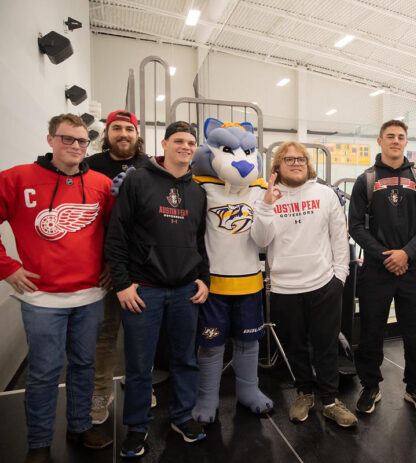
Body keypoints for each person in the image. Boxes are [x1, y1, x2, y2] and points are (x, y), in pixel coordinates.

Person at [0, 114, 114, 463]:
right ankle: (38, 443)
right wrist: (7, 267)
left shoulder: (100, 183)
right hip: (40, 298)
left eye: (82, 141)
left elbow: (113, 231)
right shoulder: (17, 178)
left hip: (89, 295)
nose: (76, 147)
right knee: (45, 371)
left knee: (83, 364)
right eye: (68, 139)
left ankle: (80, 427)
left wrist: (110, 265)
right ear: (50, 140)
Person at [105, 121, 210, 458]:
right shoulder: (138, 180)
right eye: (179, 140)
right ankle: (137, 427)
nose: (186, 146)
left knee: (185, 360)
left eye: (191, 142)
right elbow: (117, 235)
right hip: (143, 290)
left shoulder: (197, 192)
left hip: (184, 291)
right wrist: (122, 283)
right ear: (164, 144)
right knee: (139, 365)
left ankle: (182, 416)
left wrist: (203, 278)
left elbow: (199, 242)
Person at [251, 141, 357, 428]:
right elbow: (260, 241)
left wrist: (339, 277)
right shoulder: (267, 197)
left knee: (325, 346)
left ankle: (330, 400)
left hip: (324, 284)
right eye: (288, 159)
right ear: (277, 166)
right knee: (295, 347)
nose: (295, 163)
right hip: (285, 288)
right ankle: (304, 394)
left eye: (300, 159)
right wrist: (266, 205)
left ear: (307, 164)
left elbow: (339, 238)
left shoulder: (324, 194)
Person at [348, 120, 416, 415]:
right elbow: (356, 226)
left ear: (405, 142)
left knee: (415, 332)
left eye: (401, 137)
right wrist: (387, 255)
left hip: (413, 269)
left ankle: (415, 387)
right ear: (380, 141)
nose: (396, 141)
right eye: (390, 136)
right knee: (372, 330)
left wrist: (406, 254)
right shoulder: (366, 180)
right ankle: (370, 386)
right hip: (377, 269)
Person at [189, 120, 274, 422]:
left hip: (250, 283)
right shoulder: (199, 186)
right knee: (211, 346)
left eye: (248, 151)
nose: (240, 160)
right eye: (228, 150)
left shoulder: (262, 189)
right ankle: (207, 397)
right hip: (212, 286)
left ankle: (248, 390)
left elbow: (264, 238)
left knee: (249, 342)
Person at [84, 110, 152, 425]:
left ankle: (141, 386)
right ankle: (101, 392)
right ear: (107, 133)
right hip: (105, 268)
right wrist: (108, 262)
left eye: (129, 128)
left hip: (142, 268)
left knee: (141, 334)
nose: (123, 134)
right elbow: (90, 222)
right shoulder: (91, 167)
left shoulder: (149, 167)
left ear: (137, 134)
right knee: (106, 332)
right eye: (116, 129)